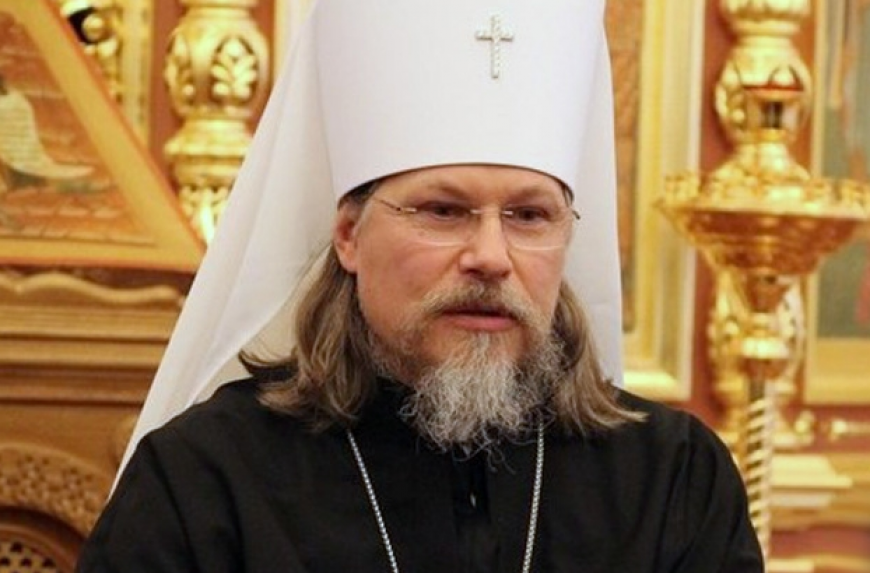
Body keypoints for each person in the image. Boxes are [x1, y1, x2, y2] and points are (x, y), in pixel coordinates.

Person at [76, 0, 764, 571]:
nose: (490, 257)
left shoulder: (674, 479)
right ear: (349, 235)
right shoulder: (206, 479)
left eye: (529, 216)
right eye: (442, 211)